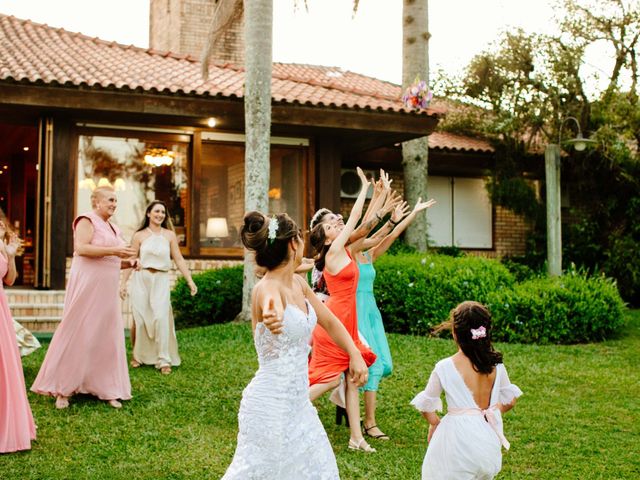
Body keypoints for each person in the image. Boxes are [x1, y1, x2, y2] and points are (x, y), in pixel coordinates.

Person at [222, 211, 369, 479]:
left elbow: (331, 322)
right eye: (301, 239)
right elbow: (270, 301)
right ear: (293, 244)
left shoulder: (299, 284)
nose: (304, 244)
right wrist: (271, 314)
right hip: (269, 404)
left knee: (319, 469)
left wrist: (354, 353)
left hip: (298, 402)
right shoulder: (266, 288)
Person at [308, 167, 392, 453]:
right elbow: (356, 217)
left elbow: (366, 226)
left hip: (348, 320)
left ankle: (357, 437)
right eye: (331, 227)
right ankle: (285, 409)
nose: (337, 225)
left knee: (353, 379)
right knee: (331, 377)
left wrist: (378, 195)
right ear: (328, 239)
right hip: (335, 323)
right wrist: (362, 188)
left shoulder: (346, 250)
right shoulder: (333, 252)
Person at [32, 185, 136, 409]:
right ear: (96, 202)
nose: (113, 204)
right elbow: (82, 248)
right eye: (109, 199)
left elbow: (112, 261)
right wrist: (116, 252)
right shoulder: (86, 220)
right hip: (87, 288)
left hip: (107, 293)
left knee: (105, 336)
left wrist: (129, 263)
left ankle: (107, 388)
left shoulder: (114, 229)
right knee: (78, 333)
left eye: (116, 200)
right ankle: (63, 389)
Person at [411, 301, 523, 480]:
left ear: (455, 333)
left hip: (458, 443)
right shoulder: (496, 365)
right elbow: (510, 400)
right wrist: (494, 411)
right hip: (488, 443)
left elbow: (426, 405)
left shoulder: (444, 367)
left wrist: (435, 424)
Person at [356, 197, 436, 442]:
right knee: (374, 366)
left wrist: (415, 213)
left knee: (385, 365)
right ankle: (369, 423)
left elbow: (392, 234)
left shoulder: (368, 255)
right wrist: (380, 205)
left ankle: (347, 389)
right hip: (355, 312)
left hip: (371, 313)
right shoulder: (346, 254)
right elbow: (368, 229)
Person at [120, 200, 197, 374]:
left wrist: (190, 280)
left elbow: (178, 259)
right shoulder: (139, 235)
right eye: (156, 211)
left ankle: (163, 360)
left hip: (161, 279)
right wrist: (123, 283)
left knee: (161, 318)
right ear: (148, 214)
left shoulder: (169, 235)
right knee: (140, 320)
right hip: (141, 278)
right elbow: (131, 261)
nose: (160, 215)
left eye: (163, 212)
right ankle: (137, 356)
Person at [0, 217, 36, 453]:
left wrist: (11, 254)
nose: (1, 228)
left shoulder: (3, 248)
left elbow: (10, 280)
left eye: (1, 225)